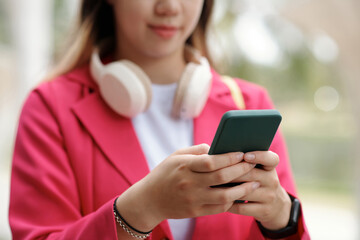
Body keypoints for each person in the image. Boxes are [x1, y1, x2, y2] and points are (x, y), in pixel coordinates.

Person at [9, 0, 310, 239]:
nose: (170, 7)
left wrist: (282, 217)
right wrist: (140, 209)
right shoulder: (49, 108)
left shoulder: (249, 103)